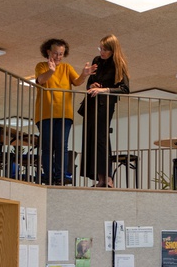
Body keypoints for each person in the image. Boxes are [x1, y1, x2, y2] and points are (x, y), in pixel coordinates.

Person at [35, 38, 96, 184]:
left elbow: (77, 82)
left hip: (64, 113)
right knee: (47, 147)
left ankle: (60, 176)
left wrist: (84, 74)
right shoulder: (41, 66)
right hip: (45, 113)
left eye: (61, 54)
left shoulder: (67, 67)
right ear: (48, 52)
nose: (58, 56)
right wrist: (51, 71)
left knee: (62, 146)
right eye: (55, 53)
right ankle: (49, 176)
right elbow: (40, 80)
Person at [80, 34, 130, 187]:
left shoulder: (119, 64)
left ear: (113, 50)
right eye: (100, 49)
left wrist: (104, 90)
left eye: (105, 50)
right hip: (92, 103)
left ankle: (107, 178)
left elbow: (125, 89)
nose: (101, 52)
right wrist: (92, 85)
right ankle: (100, 178)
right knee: (91, 139)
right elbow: (89, 84)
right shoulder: (97, 61)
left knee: (101, 139)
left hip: (105, 104)